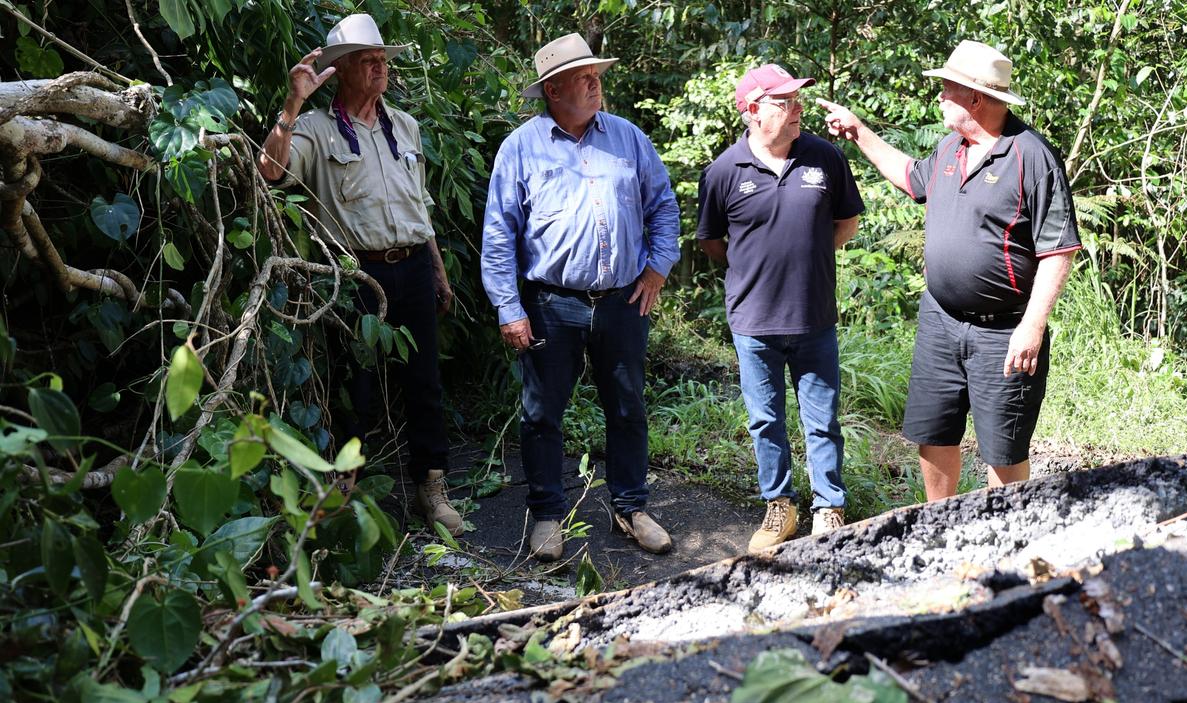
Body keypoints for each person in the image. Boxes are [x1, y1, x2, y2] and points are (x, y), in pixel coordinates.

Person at [816, 40, 1080, 500]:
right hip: (940, 321)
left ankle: (1005, 535)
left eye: (945, 90)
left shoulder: (1031, 157)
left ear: (975, 98)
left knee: (1003, 446)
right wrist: (859, 131)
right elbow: (910, 176)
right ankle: (939, 521)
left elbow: (1058, 251)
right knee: (932, 431)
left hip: (1004, 330)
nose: (938, 97)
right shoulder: (951, 148)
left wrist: (1032, 328)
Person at [256, 14, 460, 534]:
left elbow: (421, 207)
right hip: (356, 276)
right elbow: (270, 173)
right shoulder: (315, 129)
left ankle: (431, 488)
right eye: (367, 60)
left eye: (382, 59)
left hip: (413, 265)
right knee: (357, 386)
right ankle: (343, 492)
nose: (379, 68)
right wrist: (292, 103)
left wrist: (437, 271)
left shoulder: (406, 126)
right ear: (340, 70)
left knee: (424, 382)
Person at [481, 33, 680, 561]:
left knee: (628, 406)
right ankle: (547, 515)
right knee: (543, 412)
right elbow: (499, 234)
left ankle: (631, 508)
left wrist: (658, 268)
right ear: (551, 89)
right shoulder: (520, 148)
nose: (596, 83)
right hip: (551, 303)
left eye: (597, 74)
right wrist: (509, 307)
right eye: (584, 76)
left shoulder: (628, 138)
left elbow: (662, 204)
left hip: (622, 300)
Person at [696, 64, 864, 552]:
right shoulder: (725, 170)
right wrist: (756, 271)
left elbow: (846, 223)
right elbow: (711, 240)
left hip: (813, 316)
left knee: (822, 418)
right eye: (783, 101)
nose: (797, 109)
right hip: (753, 322)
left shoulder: (824, 157)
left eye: (797, 100)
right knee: (765, 419)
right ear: (752, 111)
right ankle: (780, 506)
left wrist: (804, 259)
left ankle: (829, 508)